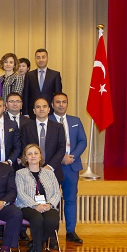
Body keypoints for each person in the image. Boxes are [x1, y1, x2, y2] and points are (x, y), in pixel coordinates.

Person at [50, 92, 87, 244]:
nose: (61, 105)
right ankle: (52, 233)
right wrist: (61, 158)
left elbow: (83, 141)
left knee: (70, 199)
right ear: (52, 105)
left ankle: (71, 231)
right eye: (58, 102)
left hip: (72, 166)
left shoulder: (75, 121)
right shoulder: (48, 121)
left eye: (63, 102)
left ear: (67, 103)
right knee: (52, 200)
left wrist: (72, 156)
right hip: (53, 167)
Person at [15, 144, 61, 252]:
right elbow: (20, 193)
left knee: (52, 220)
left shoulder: (49, 173)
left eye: (36, 153)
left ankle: (35, 246)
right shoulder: (20, 173)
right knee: (37, 218)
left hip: (47, 205)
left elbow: (57, 192)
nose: (33, 156)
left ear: (40, 156)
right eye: (29, 154)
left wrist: (50, 204)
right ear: (25, 158)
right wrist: (35, 205)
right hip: (27, 206)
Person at [20, 98, 66, 183]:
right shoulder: (26, 128)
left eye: (44, 106)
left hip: (53, 171)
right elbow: (24, 148)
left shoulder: (58, 127)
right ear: (34, 111)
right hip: (31, 172)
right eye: (38, 107)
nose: (41, 109)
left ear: (49, 109)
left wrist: (50, 166)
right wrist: (34, 167)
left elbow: (61, 149)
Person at [22, 49, 62, 118]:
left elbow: (58, 95)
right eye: (38, 57)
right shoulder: (29, 75)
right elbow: (25, 95)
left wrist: (57, 112)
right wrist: (25, 113)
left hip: (50, 112)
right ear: (35, 59)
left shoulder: (55, 75)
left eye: (43, 57)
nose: (41, 60)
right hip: (33, 112)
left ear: (47, 58)